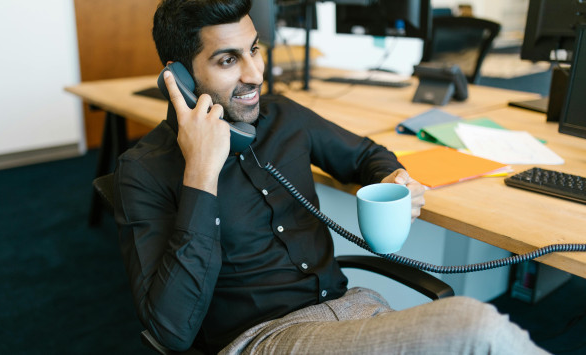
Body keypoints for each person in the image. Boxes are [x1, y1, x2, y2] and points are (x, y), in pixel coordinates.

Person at [114, 0, 548, 354]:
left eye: (255, 50)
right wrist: (202, 175)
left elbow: (366, 154)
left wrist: (394, 176)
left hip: (355, 312)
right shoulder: (144, 169)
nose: (255, 74)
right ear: (180, 78)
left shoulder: (283, 117)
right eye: (229, 59)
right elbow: (171, 329)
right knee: (474, 328)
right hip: (265, 340)